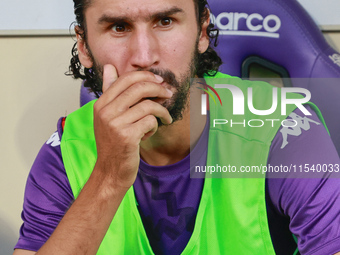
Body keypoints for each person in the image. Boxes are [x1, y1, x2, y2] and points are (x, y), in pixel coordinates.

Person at [13, 0, 340, 254]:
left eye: (165, 21)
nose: (144, 56)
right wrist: (108, 178)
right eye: (118, 27)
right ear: (84, 47)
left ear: (201, 31)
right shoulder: (67, 149)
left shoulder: (284, 130)